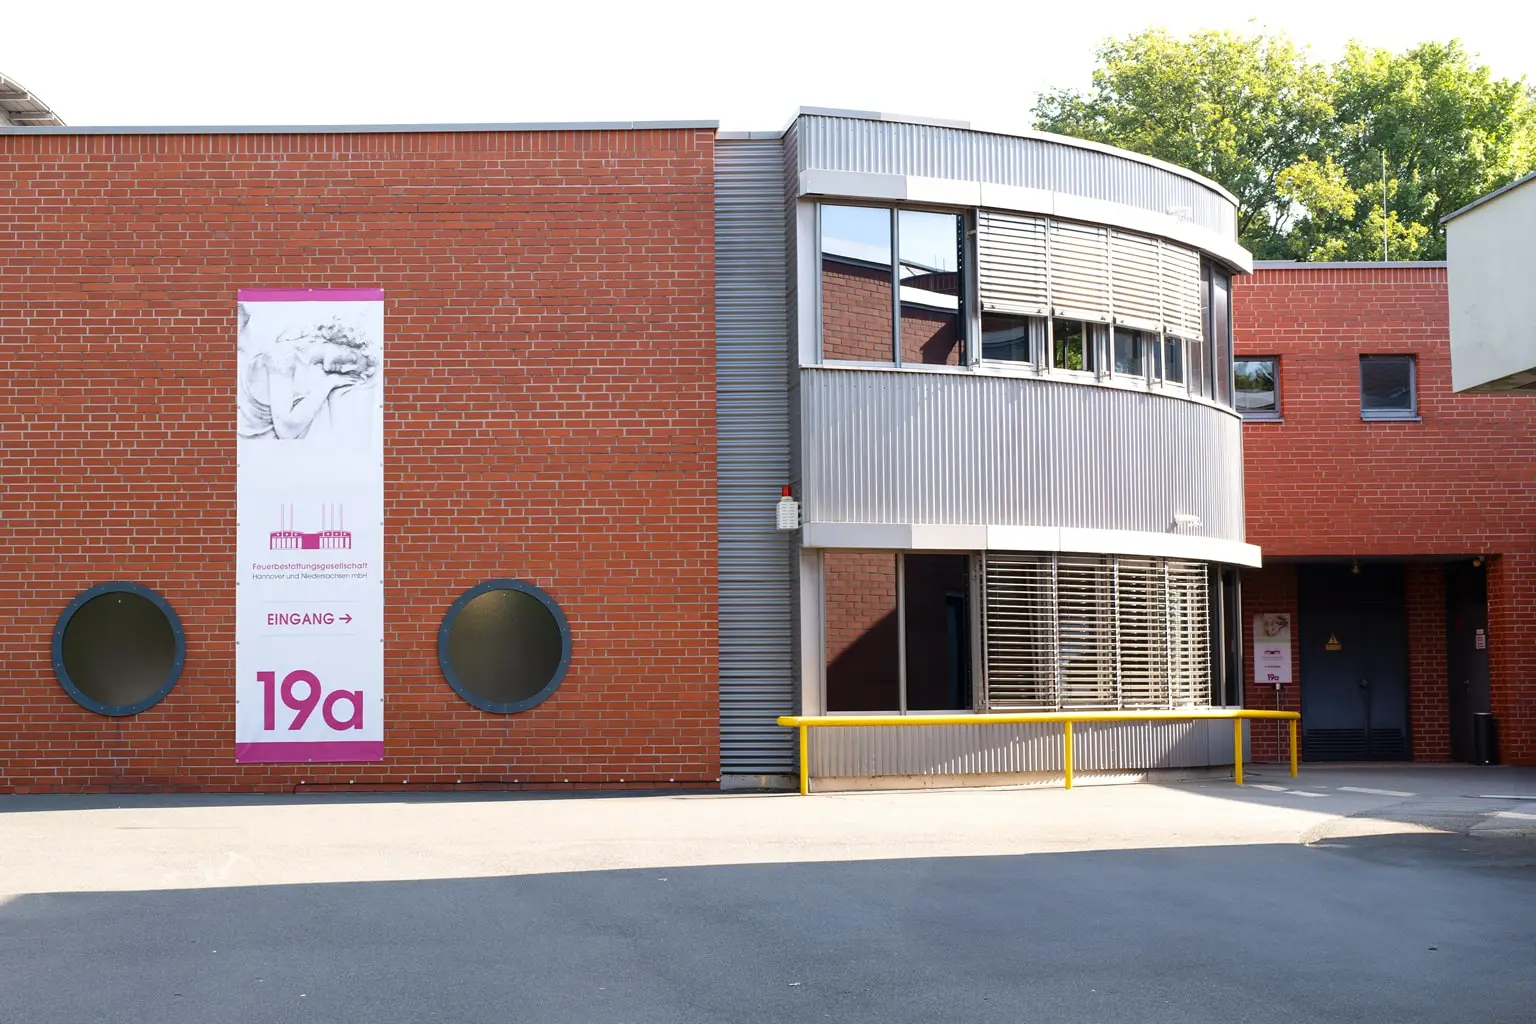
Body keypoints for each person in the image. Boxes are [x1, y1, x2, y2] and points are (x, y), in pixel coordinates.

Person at [238, 310, 379, 441]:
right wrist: (329, 383)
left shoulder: (314, 371)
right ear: (342, 339)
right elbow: (286, 430)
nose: (344, 370)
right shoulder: (284, 356)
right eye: (353, 359)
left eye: (351, 371)